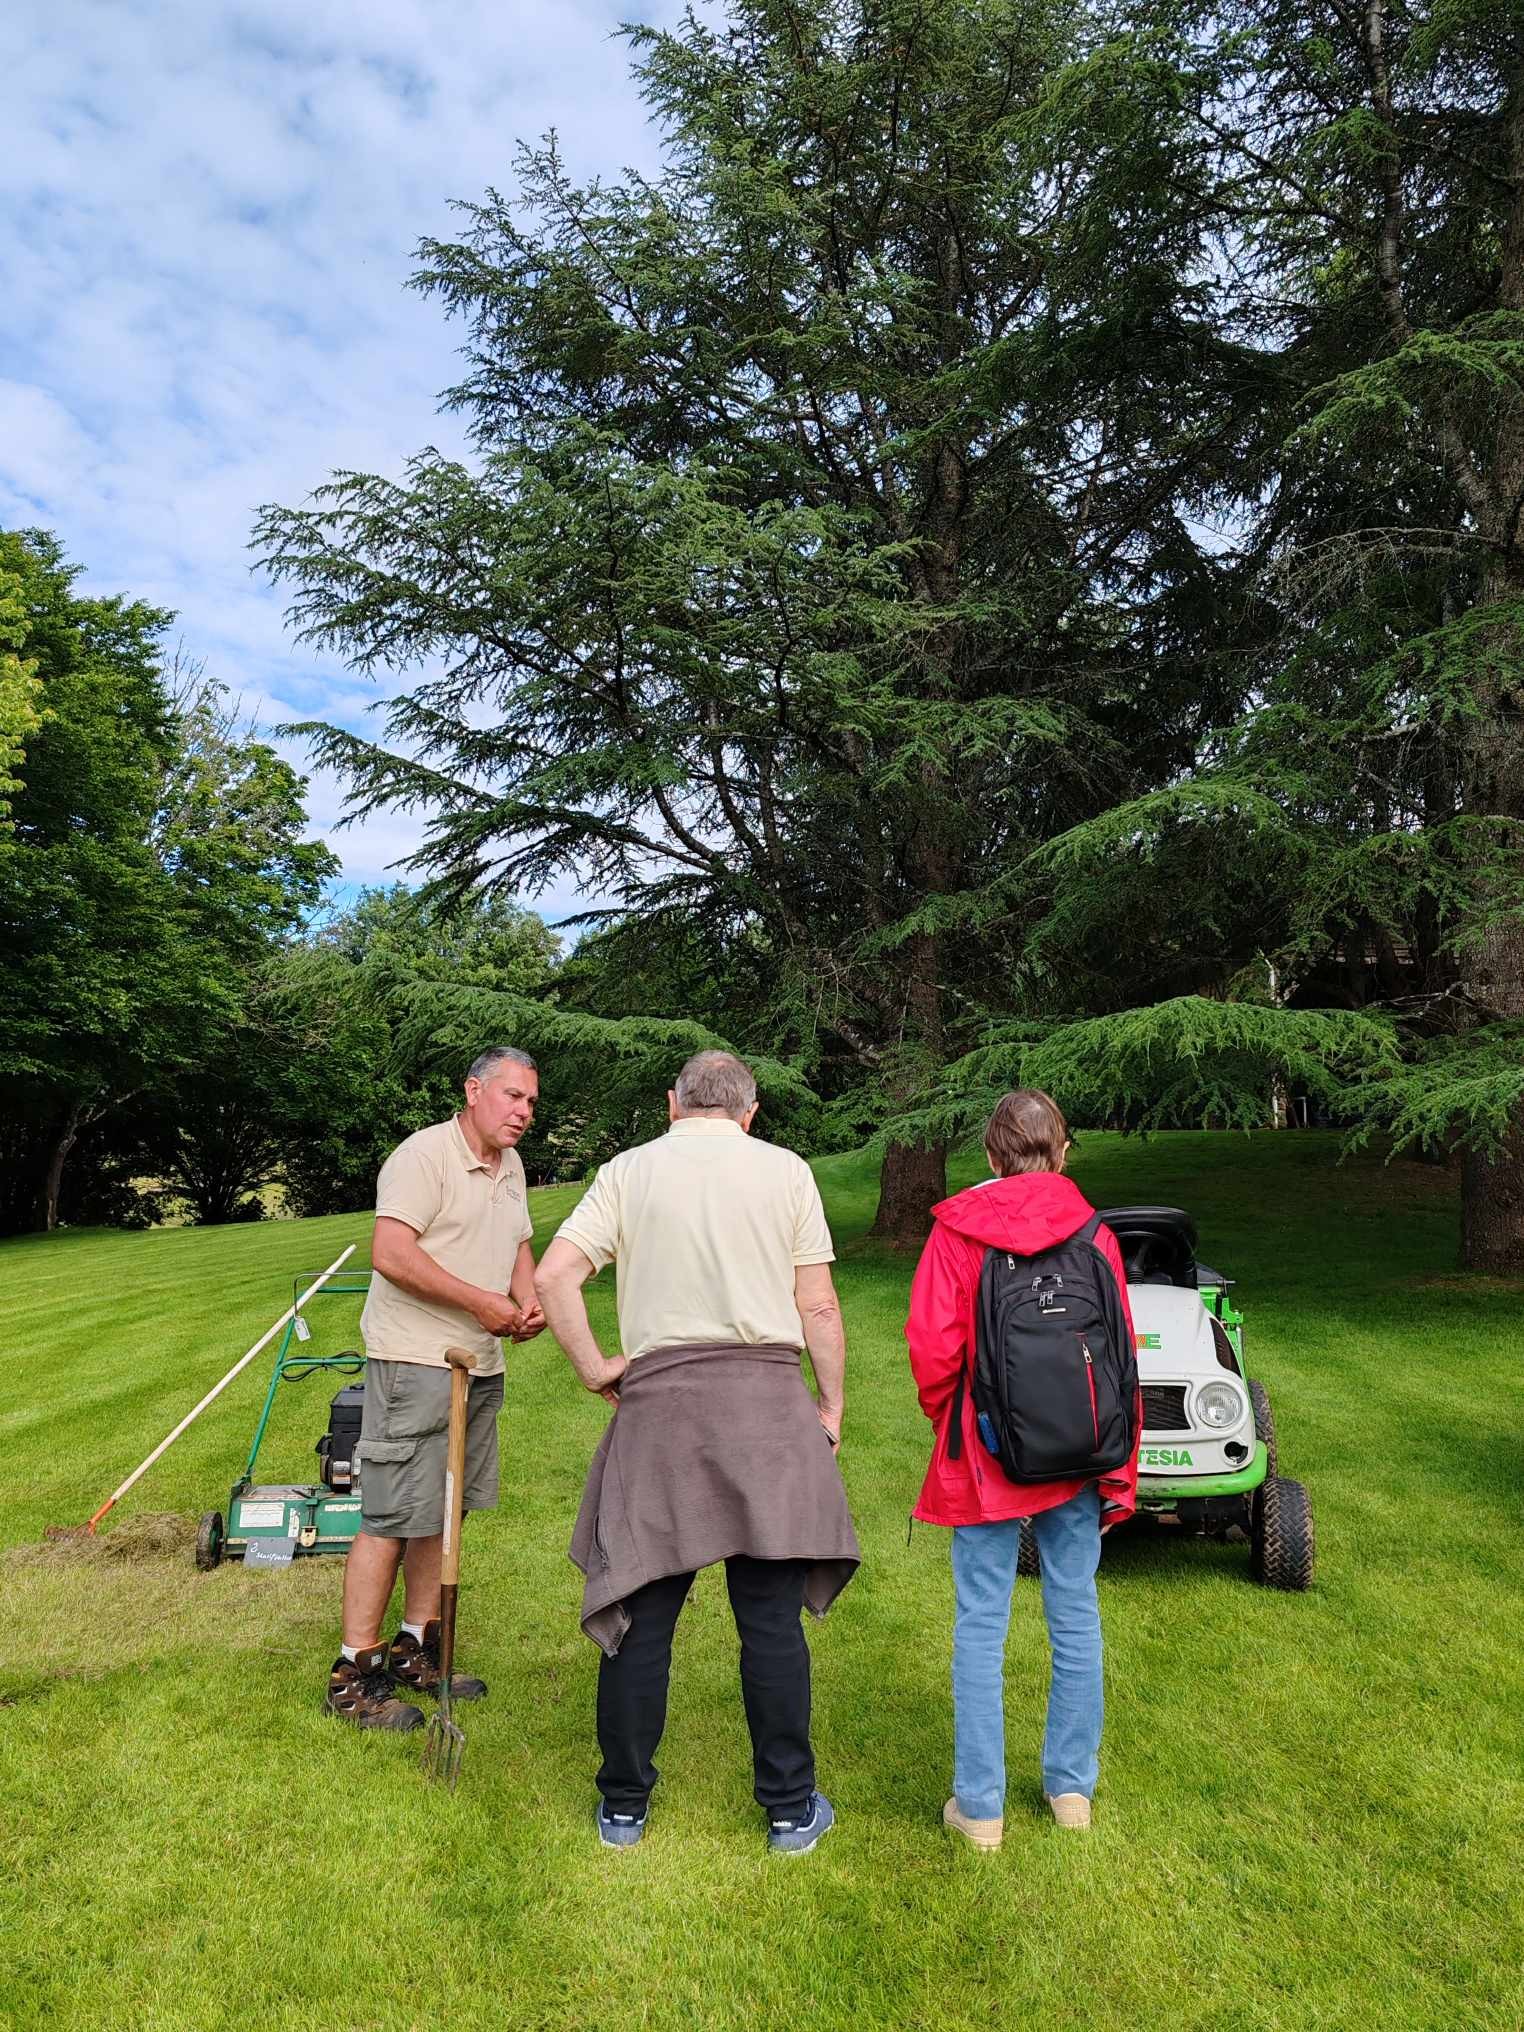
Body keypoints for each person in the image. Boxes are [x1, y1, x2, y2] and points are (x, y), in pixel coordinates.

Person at [535, 1050, 860, 1855]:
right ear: (748, 1113)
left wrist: (594, 1368)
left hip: (663, 1411)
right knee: (772, 1625)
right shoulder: (786, 1170)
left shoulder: (628, 1170)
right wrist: (830, 1405)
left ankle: (624, 1809)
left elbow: (554, 1277)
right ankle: (789, 1811)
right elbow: (816, 1302)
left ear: (673, 1103)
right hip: (768, 1409)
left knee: (643, 1619)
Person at [904, 1089, 1140, 1846]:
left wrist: (959, 1414)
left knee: (982, 1620)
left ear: (992, 1155)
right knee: (1074, 1609)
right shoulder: (1094, 1231)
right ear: (1061, 1151)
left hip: (987, 1452)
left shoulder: (957, 1231)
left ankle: (980, 1808)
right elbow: (1120, 1351)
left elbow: (933, 1351)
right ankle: (1072, 1791)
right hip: (1077, 1450)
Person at [324, 1046, 546, 1730]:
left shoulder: (510, 1168)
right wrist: (480, 1303)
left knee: (447, 1512)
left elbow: (517, 1247)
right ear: (474, 1090)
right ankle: (352, 1674)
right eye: (512, 1097)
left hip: (477, 1364)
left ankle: (416, 1646)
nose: (523, 1113)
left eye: (532, 1103)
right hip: (416, 1359)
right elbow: (390, 1255)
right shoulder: (424, 1156)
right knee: (393, 1513)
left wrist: (527, 1301)